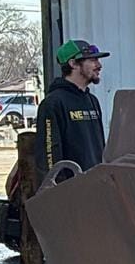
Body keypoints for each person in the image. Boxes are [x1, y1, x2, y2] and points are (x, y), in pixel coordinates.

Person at [34, 39, 108, 178]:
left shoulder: (92, 101)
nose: (99, 65)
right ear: (73, 63)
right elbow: (48, 157)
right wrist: (56, 191)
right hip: (70, 192)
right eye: (92, 60)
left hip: (94, 187)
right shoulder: (53, 103)